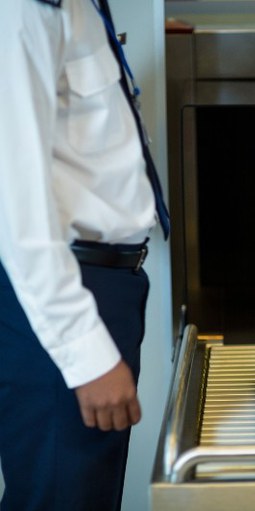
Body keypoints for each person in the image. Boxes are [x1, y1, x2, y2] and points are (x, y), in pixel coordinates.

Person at [0, 0, 169, 509]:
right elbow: (14, 201)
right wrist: (86, 355)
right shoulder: (25, 9)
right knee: (60, 496)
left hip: (109, 283)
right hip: (66, 295)